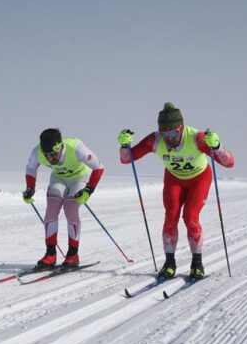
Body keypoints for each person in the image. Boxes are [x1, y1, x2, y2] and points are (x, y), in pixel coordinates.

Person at [117, 102, 234, 280]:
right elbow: (127, 159)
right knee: (171, 216)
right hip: (174, 179)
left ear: (182, 127)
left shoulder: (196, 138)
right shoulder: (155, 140)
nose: (169, 137)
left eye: (173, 133)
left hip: (199, 179)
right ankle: (169, 263)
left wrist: (216, 146)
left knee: (190, 217)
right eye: (165, 133)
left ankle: (197, 264)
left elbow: (229, 163)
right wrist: (125, 146)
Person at [22, 128, 104, 270]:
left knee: (70, 207)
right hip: (59, 178)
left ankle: (73, 254)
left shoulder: (76, 147)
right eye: (47, 156)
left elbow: (99, 167)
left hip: (80, 178)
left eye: (55, 154)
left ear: (61, 147)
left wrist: (88, 190)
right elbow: (30, 168)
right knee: (52, 207)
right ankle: (50, 254)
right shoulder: (37, 152)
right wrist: (30, 188)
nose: (51, 159)